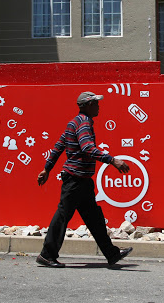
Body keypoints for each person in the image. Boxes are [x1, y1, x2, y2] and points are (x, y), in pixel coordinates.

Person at [36, 91, 132, 268]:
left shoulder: (73, 123)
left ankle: (111, 254)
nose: (98, 106)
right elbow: (87, 148)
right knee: (63, 216)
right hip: (75, 180)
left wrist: (46, 168)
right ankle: (46, 255)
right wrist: (112, 160)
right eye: (96, 103)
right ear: (88, 105)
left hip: (81, 181)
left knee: (94, 218)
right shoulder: (84, 124)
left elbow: (58, 146)